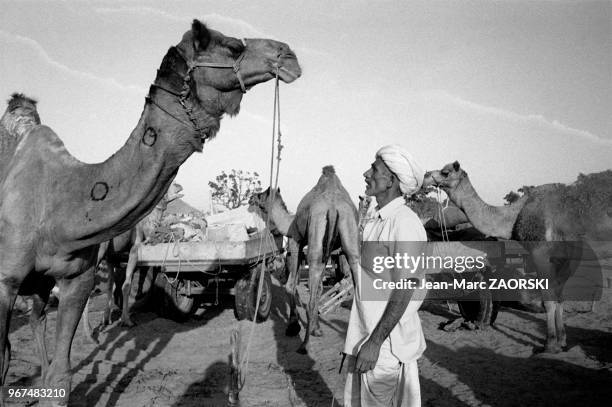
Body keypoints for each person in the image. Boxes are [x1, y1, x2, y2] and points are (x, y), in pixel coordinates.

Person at [344, 144, 428, 407]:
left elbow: (406, 288)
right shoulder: (379, 220)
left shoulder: (403, 223)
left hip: (385, 346)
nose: (367, 174)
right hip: (369, 339)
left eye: (375, 169)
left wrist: (374, 343)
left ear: (391, 179)